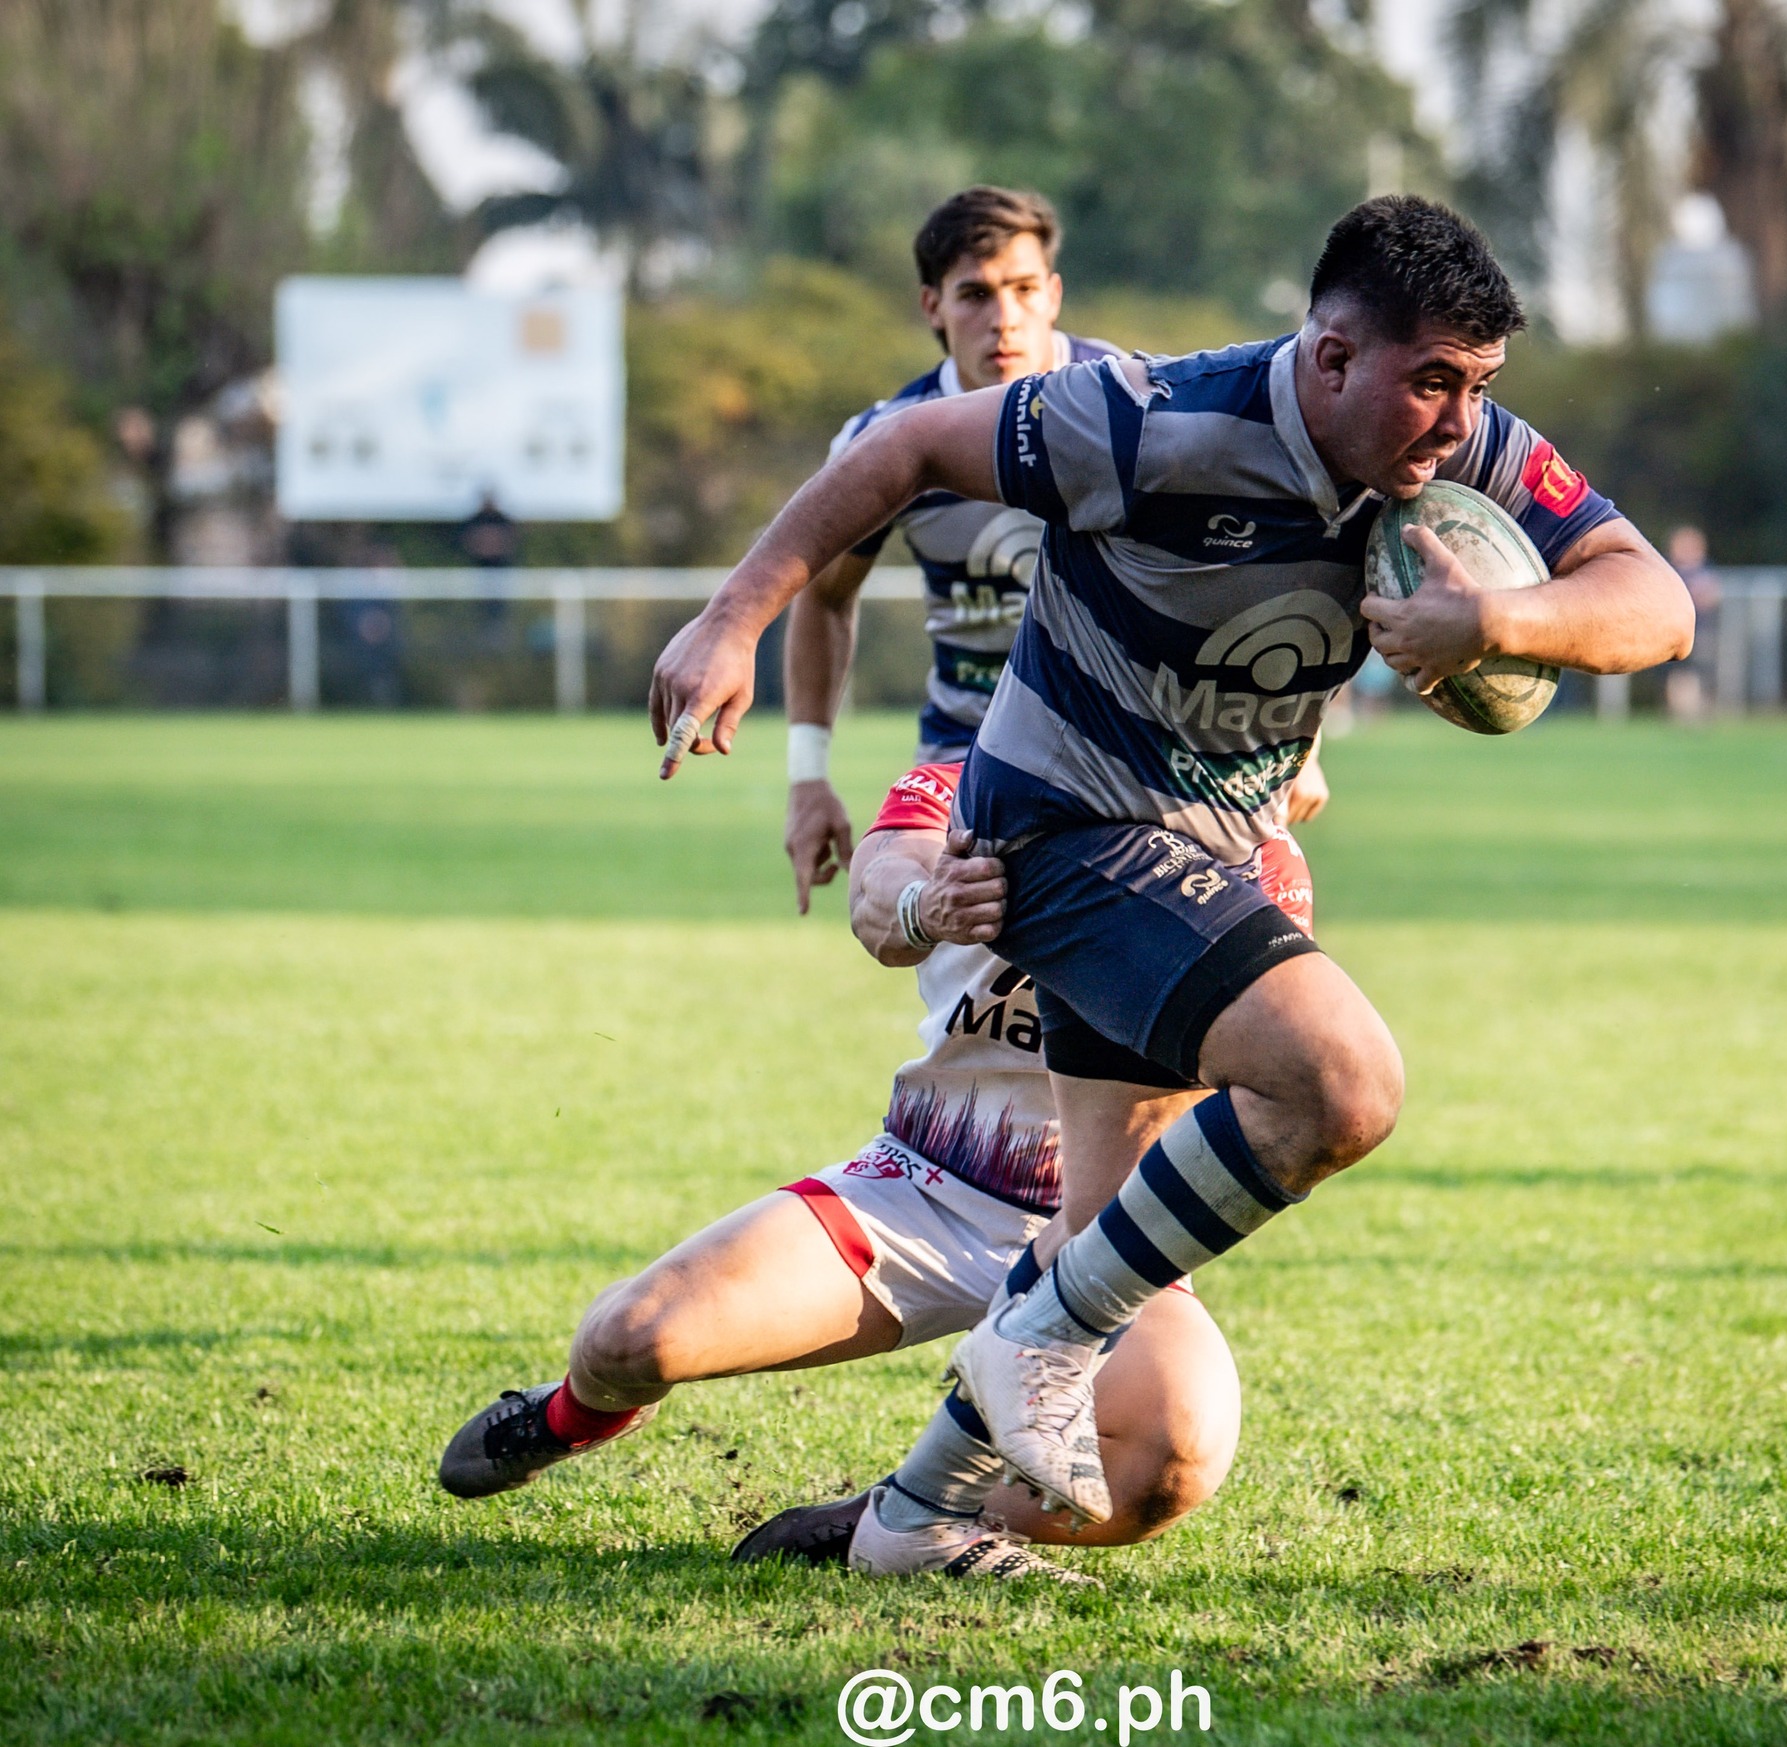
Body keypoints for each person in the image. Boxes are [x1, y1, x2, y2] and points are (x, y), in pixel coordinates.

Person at [648, 195, 1693, 1542]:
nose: (1457, 418)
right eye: (1430, 381)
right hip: (1062, 828)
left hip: (1204, 852)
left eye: (1480, 385)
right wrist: (735, 618)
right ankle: (1037, 1331)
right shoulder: (1143, 422)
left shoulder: (1461, 447)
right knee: (1342, 1081)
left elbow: (1650, 596)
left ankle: (905, 1519)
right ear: (1328, 355)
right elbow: (905, 446)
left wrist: (1495, 614)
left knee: (1138, 1400)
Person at [437, 760, 1316, 1582]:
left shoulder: (1255, 858)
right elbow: (877, 893)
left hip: (1100, 1234)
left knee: (1168, 1461)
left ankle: (887, 1517)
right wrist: (924, 907)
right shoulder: (972, 787)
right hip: (920, 1188)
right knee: (633, 1340)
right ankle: (565, 1417)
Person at [783, 185, 1327, 916]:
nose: (1003, 318)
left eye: (1023, 288)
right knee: (944, 972)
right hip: (967, 766)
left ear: (1055, 294)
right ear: (931, 307)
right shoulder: (887, 444)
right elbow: (823, 594)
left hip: (1140, 764)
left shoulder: (1141, 409)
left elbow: (1260, 566)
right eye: (974, 294)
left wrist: (1302, 746)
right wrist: (807, 774)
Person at [1663, 525, 1720, 723]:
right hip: (1674, 632)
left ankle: (1697, 714)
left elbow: (1711, 597)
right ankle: (1681, 715)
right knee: (1678, 675)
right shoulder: (1669, 570)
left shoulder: (1704, 570)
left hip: (1700, 633)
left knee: (1698, 674)